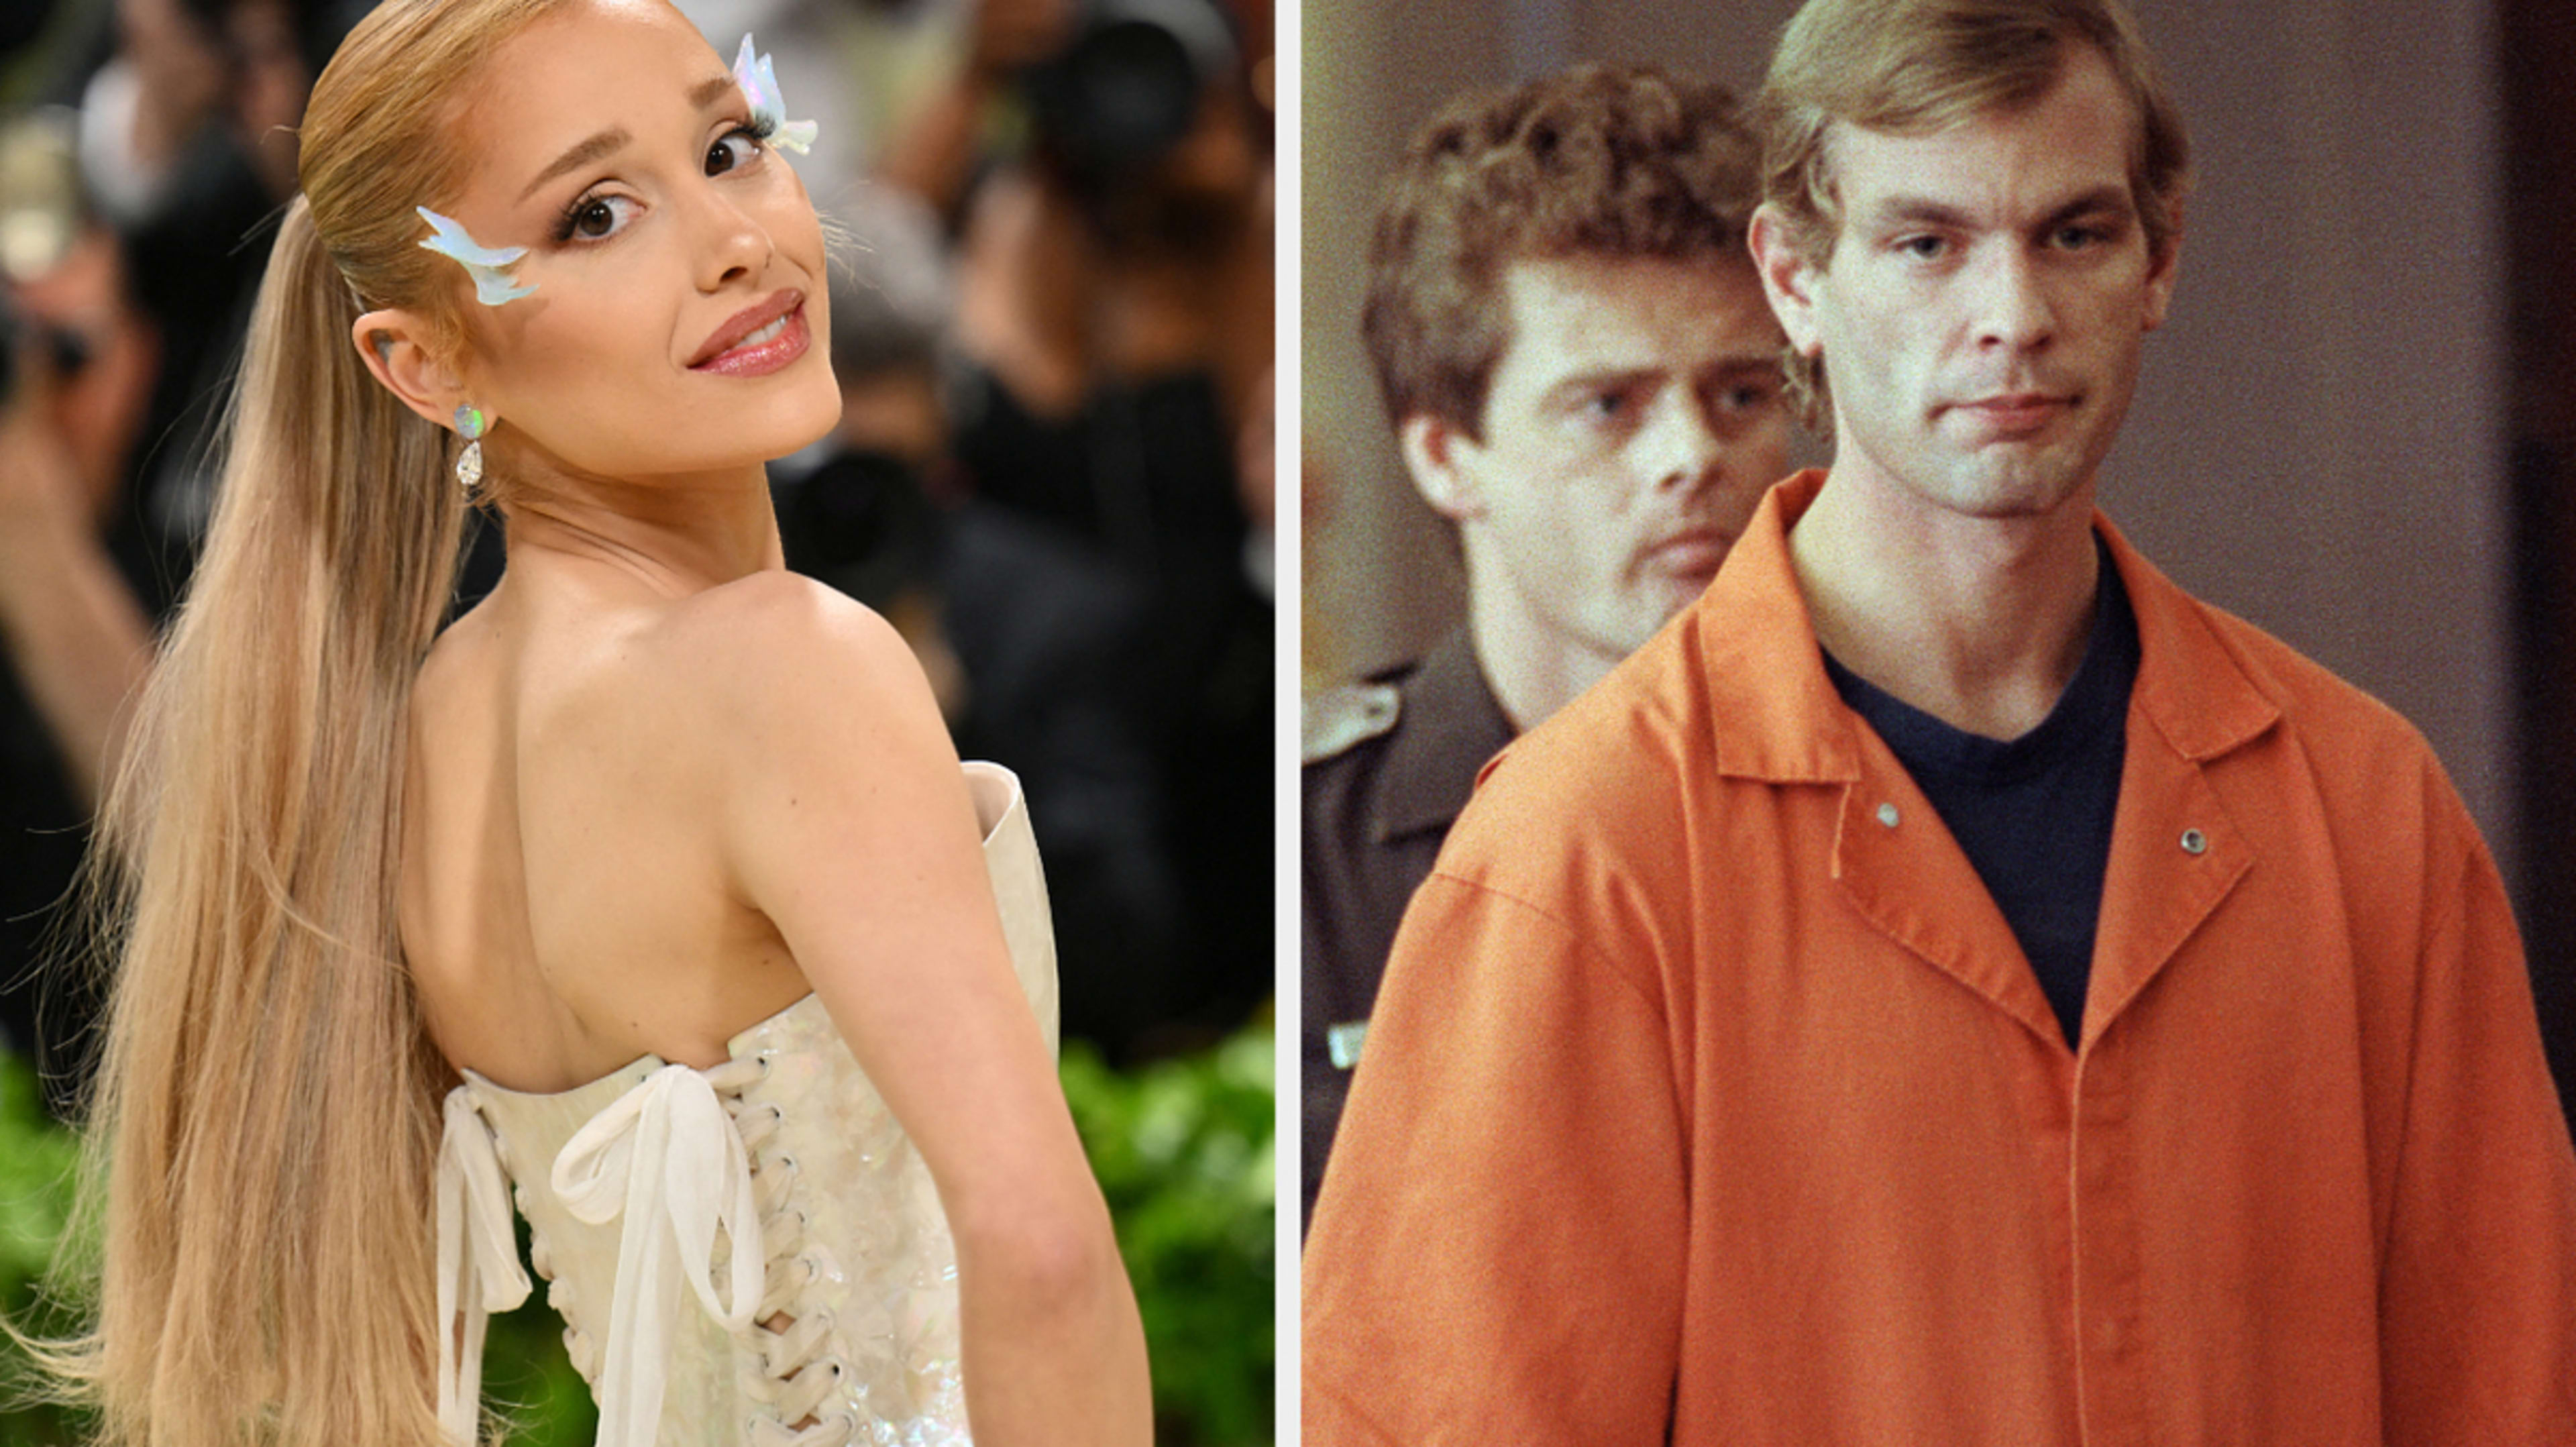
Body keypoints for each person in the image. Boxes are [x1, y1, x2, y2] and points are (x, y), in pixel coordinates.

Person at [1301, 0, 2576, 1440]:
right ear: (1792, 273)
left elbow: (2506, 1391)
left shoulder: (2366, 811)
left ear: (2160, 256)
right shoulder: (1572, 853)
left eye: (2073, 234)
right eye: (1926, 243)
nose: (2012, 317)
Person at [35, 3, 1152, 1445]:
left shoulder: (422, 729)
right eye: (598, 213)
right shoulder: (789, 668)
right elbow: (1043, 1256)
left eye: (731, 145)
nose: (735, 237)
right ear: (421, 364)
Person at [1300, 63, 1791, 1232]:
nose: (1691, 456)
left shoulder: (1899, 803)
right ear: (1444, 455)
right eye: (1608, 405)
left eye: (1739, 393)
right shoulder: (1305, 842)